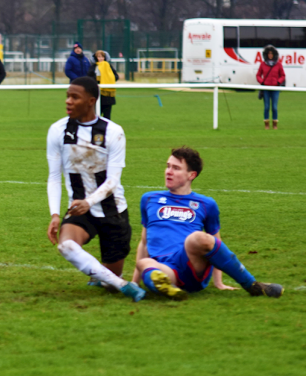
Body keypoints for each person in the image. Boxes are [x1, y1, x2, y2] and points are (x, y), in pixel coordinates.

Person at [133, 147, 283, 300]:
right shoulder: (149, 199)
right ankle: (170, 290)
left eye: (176, 168)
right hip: (164, 268)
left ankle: (252, 285)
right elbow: (144, 242)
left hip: (191, 265)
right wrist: (134, 283)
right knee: (145, 262)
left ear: (191, 175)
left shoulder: (206, 203)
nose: (168, 171)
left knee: (197, 238)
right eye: (168, 166)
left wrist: (219, 282)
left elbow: (215, 244)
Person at [46, 76, 146, 302]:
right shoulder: (57, 130)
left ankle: (108, 278)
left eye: (75, 97)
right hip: (80, 213)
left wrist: (88, 202)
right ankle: (124, 285)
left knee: (107, 282)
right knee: (66, 246)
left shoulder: (113, 132)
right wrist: (54, 214)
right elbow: (53, 176)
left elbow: (113, 181)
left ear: (91, 101)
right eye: (67, 96)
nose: (68, 101)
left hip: (113, 211)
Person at [256, 45, 285, 130]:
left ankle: (275, 124)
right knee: (266, 107)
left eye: (271, 54)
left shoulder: (278, 64)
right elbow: (258, 75)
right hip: (266, 89)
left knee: (275, 107)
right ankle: (266, 124)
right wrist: (262, 82)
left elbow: (283, 75)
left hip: (275, 89)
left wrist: (278, 82)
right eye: (268, 54)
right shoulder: (263, 64)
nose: (270, 55)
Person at [92, 50, 118, 120]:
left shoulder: (108, 66)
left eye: (102, 57)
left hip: (108, 95)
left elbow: (116, 76)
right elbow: (90, 77)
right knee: (96, 114)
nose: (100, 58)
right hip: (98, 94)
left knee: (107, 115)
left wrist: (108, 79)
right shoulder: (94, 66)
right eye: (98, 57)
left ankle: (106, 130)